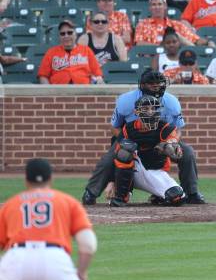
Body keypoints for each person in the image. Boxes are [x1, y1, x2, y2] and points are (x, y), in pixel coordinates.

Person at [82, 69, 206, 206]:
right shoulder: (126, 101)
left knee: (187, 151)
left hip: (160, 139)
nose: (157, 87)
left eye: (159, 83)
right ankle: (92, 192)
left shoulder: (171, 102)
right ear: (143, 85)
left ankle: (192, 193)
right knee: (112, 157)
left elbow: (177, 129)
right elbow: (114, 127)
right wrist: (126, 142)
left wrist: (171, 142)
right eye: (153, 84)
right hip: (132, 138)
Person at [0, 158, 97, 280]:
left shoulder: (10, 205)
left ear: (26, 180)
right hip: (55, 263)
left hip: (17, 261)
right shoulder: (68, 202)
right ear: (51, 179)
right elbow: (88, 245)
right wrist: (81, 272)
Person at [110, 95, 188, 207]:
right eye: (146, 109)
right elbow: (117, 154)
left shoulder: (165, 127)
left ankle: (158, 196)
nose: (150, 112)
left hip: (154, 170)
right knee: (124, 152)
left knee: (177, 196)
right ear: (136, 111)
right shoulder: (128, 128)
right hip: (133, 171)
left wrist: (170, 147)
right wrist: (112, 181)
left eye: (153, 108)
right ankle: (122, 196)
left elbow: (172, 142)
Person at [38, 20, 104, 84]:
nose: (66, 36)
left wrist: (98, 81)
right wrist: (50, 93)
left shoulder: (86, 51)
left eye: (70, 33)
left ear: (76, 35)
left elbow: (97, 74)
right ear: (59, 37)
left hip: (83, 91)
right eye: (62, 34)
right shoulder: (51, 52)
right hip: (59, 92)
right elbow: (43, 76)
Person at [134, 0, 207, 46]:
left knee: (178, 35)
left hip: (175, 59)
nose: (157, 7)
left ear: (165, 6)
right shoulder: (142, 24)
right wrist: (162, 47)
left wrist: (208, 43)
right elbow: (139, 43)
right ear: (150, 8)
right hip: (150, 58)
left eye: (160, 4)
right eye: (154, 4)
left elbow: (195, 39)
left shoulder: (176, 25)